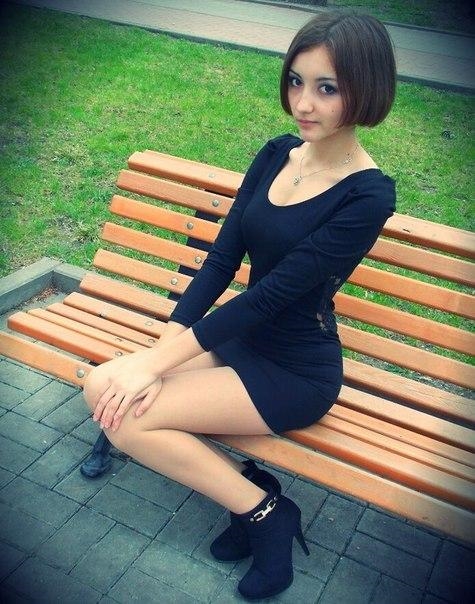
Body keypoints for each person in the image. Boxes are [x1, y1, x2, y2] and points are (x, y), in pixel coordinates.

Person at [83, 11, 396, 600]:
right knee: (104, 386)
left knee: (129, 418)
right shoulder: (278, 153)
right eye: (296, 81)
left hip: (295, 369)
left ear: (366, 90)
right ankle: (254, 493)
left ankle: (264, 515)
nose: (303, 103)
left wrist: (157, 366)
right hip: (239, 341)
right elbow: (222, 260)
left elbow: (272, 296)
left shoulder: (368, 194)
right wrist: (157, 355)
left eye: (327, 88)